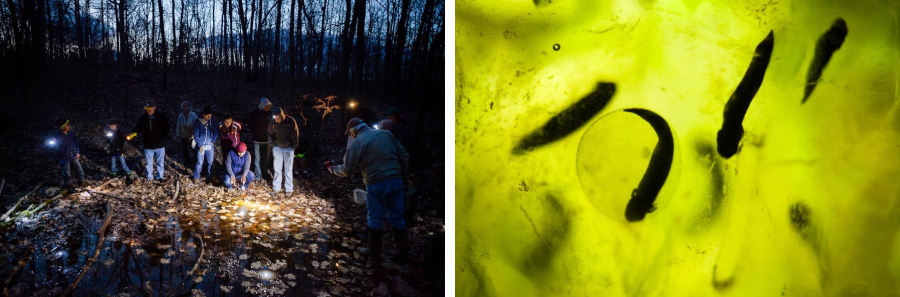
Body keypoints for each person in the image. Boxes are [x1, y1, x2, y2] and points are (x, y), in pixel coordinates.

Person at [326, 118, 410, 274]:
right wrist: (403, 176)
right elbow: (404, 155)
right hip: (396, 181)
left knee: (375, 218)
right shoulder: (386, 134)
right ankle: (403, 254)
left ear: (352, 131)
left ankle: (375, 259)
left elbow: (346, 170)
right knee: (397, 217)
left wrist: (332, 169)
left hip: (375, 183)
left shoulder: (357, 142)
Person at [385, 107, 434, 227]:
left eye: (390, 117)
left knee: (411, 193)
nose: (389, 119)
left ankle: (406, 218)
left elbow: (409, 152)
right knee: (407, 192)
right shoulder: (405, 129)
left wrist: (408, 171)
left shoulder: (402, 132)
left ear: (394, 117)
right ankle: (402, 216)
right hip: (412, 166)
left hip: (415, 166)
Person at [129, 101, 171, 181]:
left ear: (154, 108)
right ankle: (149, 177)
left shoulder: (162, 117)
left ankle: (160, 177)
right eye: (147, 109)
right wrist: (132, 135)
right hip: (148, 144)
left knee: (160, 162)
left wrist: (163, 137)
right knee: (149, 163)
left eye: (150, 109)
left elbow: (167, 128)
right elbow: (138, 129)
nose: (148, 111)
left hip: (160, 144)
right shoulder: (143, 118)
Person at [268, 107, 299, 197]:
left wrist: (293, 146)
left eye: (278, 118)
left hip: (288, 148)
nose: (276, 119)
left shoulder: (290, 121)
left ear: (282, 116)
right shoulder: (272, 122)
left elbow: (295, 133)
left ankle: (288, 189)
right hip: (277, 147)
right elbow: (270, 134)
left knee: (288, 169)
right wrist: (273, 146)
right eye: (275, 118)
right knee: (277, 169)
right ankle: (276, 187)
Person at [51, 119, 85, 187]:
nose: (69, 126)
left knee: (80, 172)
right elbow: (54, 148)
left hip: (73, 156)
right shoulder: (57, 136)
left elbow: (75, 143)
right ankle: (69, 188)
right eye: (67, 125)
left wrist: (77, 152)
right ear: (63, 127)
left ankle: (81, 185)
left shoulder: (71, 133)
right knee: (67, 175)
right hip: (64, 158)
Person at [250, 98, 273, 180]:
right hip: (257, 140)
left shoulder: (270, 114)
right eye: (267, 106)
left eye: (269, 106)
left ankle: (265, 172)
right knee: (257, 158)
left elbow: (273, 125)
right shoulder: (255, 114)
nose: (268, 107)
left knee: (266, 158)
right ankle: (258, 174)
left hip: (267, 140)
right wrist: (255, 132)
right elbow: (250, 124)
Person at [193, 106, 218, 182]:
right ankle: (196, 176)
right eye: (207, 115)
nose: (209, 117)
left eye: (210, 115)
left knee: (210, 161)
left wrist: (212, 141)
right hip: (201, 144)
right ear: (204, 114)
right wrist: (199, 145)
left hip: (209, 144)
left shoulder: (213, 121)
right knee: (199, 161)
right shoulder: (197, 121)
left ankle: (211, 176)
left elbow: (216, 131)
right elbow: (196, 134)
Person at [175, 100, 197, 168]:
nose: (182, 109)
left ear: (188, 108)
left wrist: (195, 133)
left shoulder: (193, 115)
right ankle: (187, 161)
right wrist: (178, 134)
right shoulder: (181, 116)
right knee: (185, 149)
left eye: (184, 107)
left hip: (191, 135)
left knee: (193, 148)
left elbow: (196, 124)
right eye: (182, 107)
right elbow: (178, 125)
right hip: (183, 135)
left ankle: (196, 161)